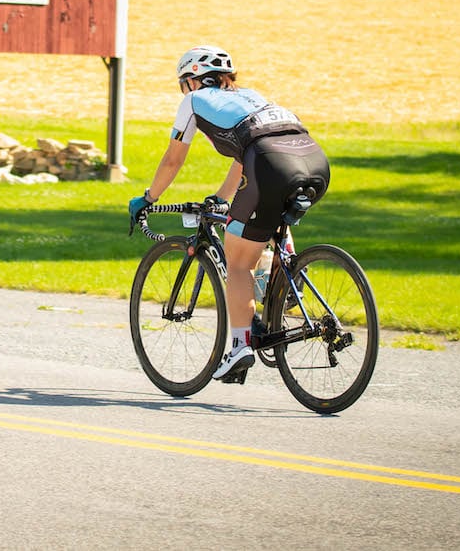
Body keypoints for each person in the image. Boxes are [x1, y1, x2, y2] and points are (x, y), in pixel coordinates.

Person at [128, 45, 330, 381]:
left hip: (268, 161)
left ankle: (239, 348)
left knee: (238, 262)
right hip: (312, 160)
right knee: (268, 219)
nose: (185, 90)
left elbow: (173, 159)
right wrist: (221, 197)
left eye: (184, 83)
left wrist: (149, 197)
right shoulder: (250, 96)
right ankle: (285, 282)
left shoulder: (194, 101)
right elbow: (244, 156)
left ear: (193, 80)